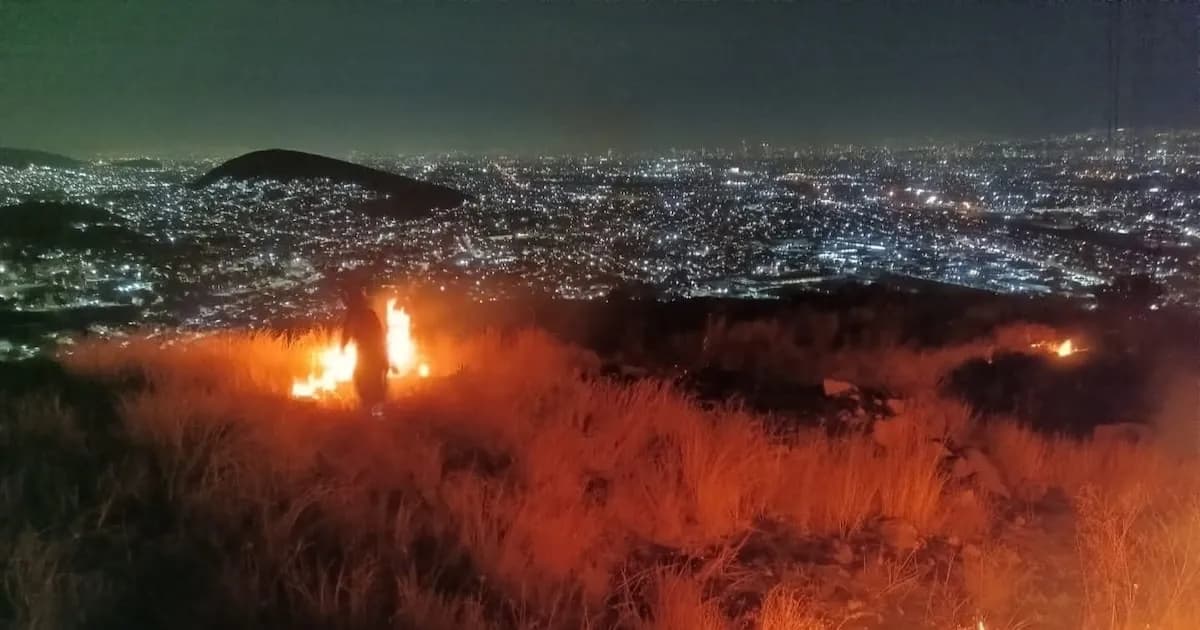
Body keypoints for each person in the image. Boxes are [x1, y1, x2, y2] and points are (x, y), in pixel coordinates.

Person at [340, 284, 389, 416]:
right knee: (373, 383)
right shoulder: (369, 314)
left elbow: (347, 332)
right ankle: (375, 414)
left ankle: (372, 414)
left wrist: (343, 346)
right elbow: (381, 336)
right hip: (374, 354)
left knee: (364, 381)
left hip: (368, 355)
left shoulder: (357, 314)